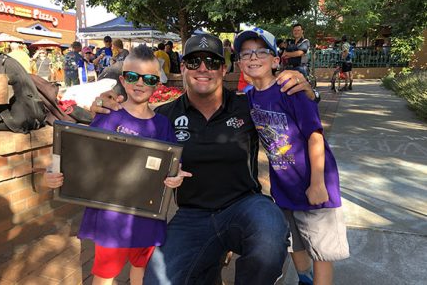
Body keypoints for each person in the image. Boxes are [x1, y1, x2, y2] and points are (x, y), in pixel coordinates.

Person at [91, 34, 318, 285]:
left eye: (211, 62)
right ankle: (209, 267)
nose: (202, 68)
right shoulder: (165, 116)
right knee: (157, 281)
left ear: (223, 68)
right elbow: (128, 128)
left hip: (244, 206)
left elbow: (291, 111)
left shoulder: (248, 106)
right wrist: (104, 105)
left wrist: (305, 89)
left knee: (270, 230)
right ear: (184, 67)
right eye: (193, 61)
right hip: (192, 216)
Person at [44, 45, 192, 285]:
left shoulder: (163, 125)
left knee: (140, 271)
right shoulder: (108, 114)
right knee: (105, 273)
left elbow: (173, 165)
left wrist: (175, 178)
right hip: (110, 216)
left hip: (146, 215)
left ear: (157, 83)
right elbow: (80, 155)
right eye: (133, 77)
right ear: (123, 79)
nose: (140, 83)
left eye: (149, 78)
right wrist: (52, 172)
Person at [235, 28, 350, 285]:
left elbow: (315, 136)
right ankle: (304, 280)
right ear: (240, 63)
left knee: (321, 249)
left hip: (315, 184)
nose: (253, 57)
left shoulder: (292, 89)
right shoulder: (249, 98)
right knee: (294, 243)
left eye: (261, 52)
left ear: (276, 60)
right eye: (246, 54)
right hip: (284, 187)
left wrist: (318, 183)